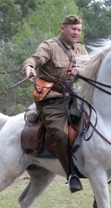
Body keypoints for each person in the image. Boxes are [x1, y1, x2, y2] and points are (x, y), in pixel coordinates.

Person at [22, 14, 87, 193]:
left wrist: (80, 69)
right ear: (63, 28)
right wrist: (29, 68)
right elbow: (34, 59)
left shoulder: (80, 48)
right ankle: (72, 174)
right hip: (51, 99)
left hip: (74, 96)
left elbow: (89, 67)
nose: (76, 33)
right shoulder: (49, 46)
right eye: (73, 29)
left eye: (79, 30)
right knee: (61, 134)